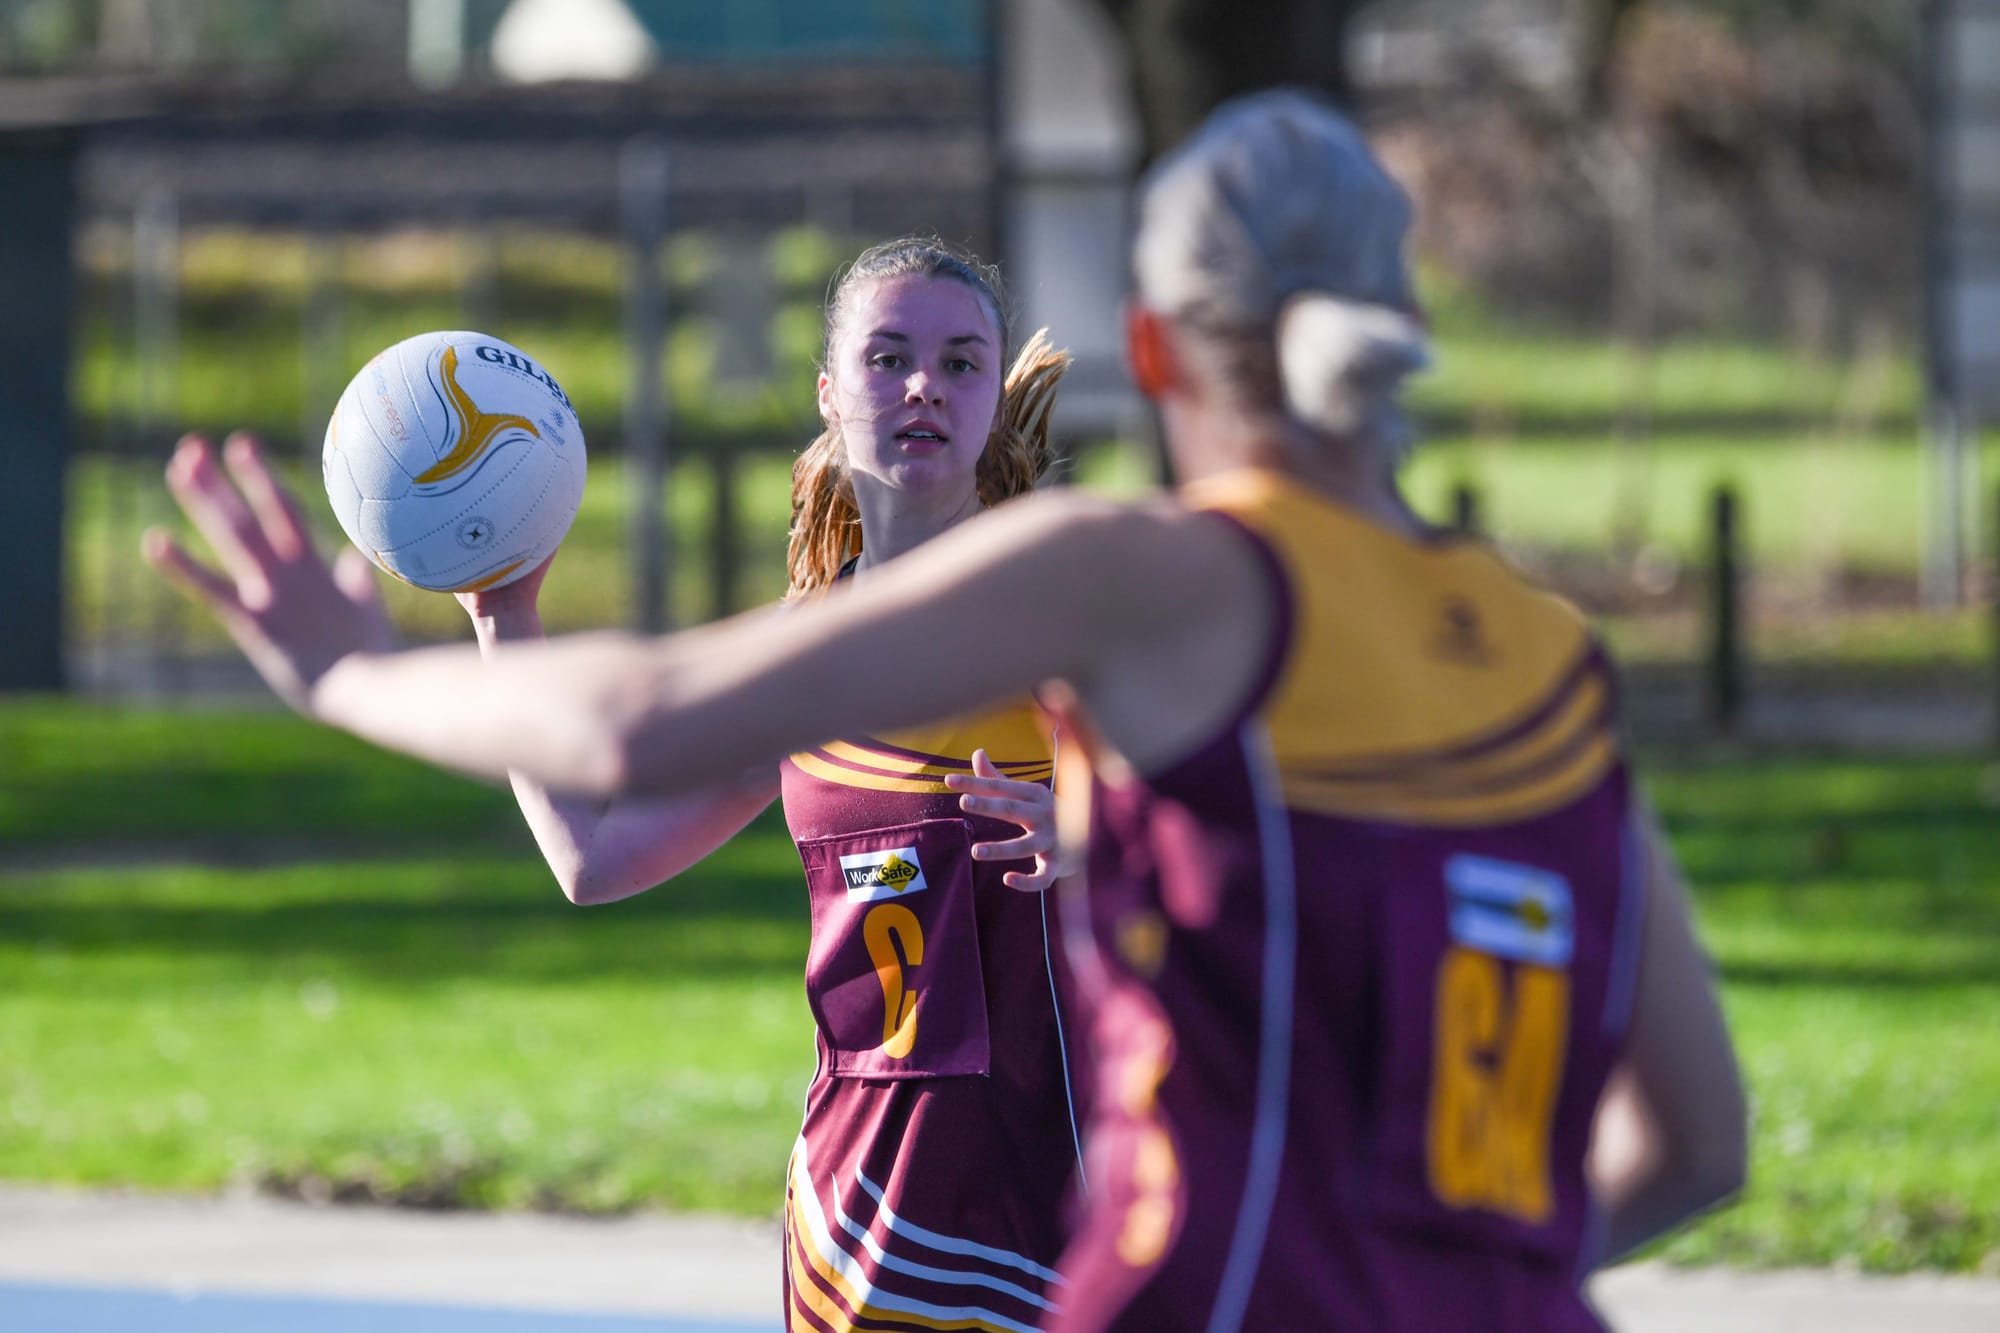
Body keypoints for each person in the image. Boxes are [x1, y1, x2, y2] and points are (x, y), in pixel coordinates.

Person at [149, 93, 1746, 1332]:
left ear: (1139, 349)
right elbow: (1698, 1144)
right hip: (927, 1231)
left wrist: (358, 675)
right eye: (889, 358)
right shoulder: (1550, 658)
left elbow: (627, 726)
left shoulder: (1141, 584)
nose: (923, 390)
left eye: (957, 358)